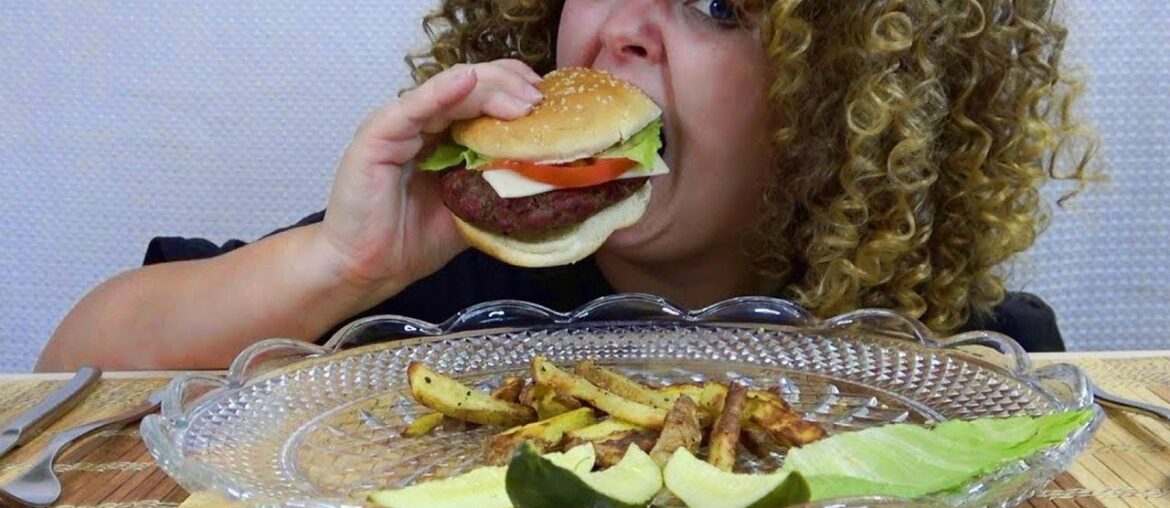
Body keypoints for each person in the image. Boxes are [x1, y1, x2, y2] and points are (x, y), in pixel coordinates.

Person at [36, 0, 1094, 372]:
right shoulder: (431, 286)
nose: (623, 27)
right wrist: (339, 263)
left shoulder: (957, 355)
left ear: (849, 99)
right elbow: (70, 369)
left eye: (717, 5)